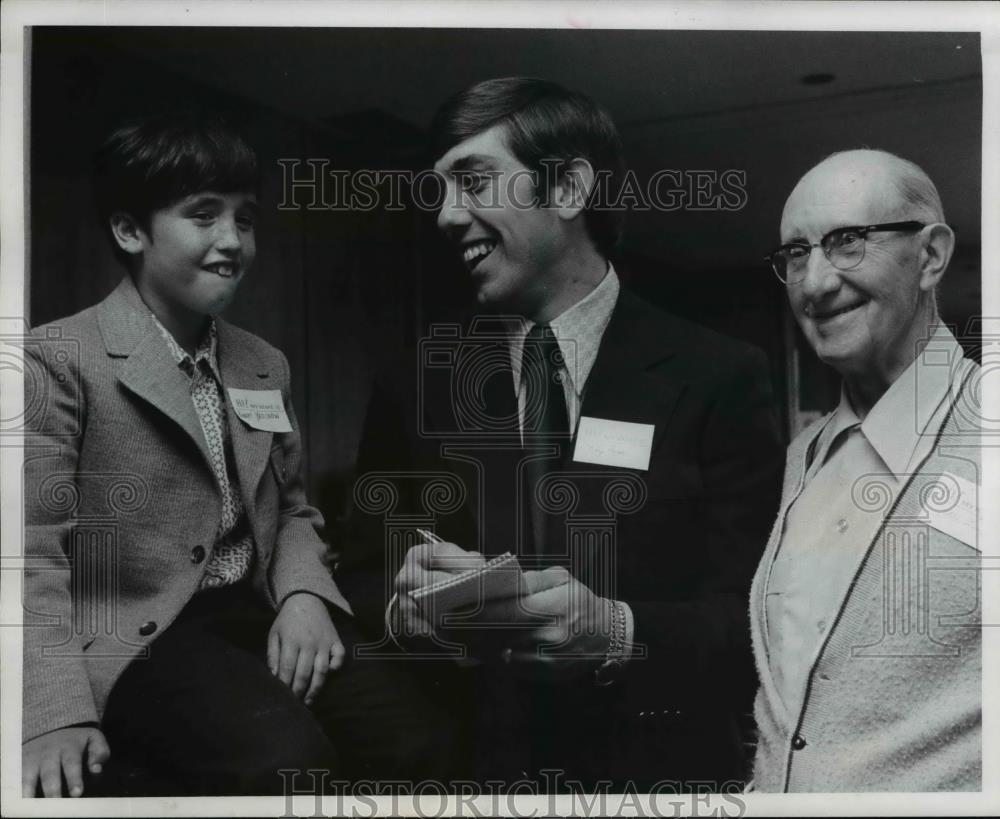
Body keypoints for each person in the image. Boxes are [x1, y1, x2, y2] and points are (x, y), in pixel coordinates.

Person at [340, 77, 785, 790]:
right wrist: (407, 611)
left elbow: (762, 619)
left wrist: (616, 629)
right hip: (467, 776)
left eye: (474, 181)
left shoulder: (718, 376)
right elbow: (362, 571)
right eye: (440, 192)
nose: (448, 216)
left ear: (570, 187)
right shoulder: (417, 381)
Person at [22, 111, 442, 797]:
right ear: (130, 231)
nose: (232, 241)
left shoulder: (262, 362)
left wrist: (305, 593)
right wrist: (50, 713)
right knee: (285, 761)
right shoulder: (56, 359)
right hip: (137, 637)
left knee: (418, 737)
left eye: (245, 219)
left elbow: (295, 510)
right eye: (203, 215)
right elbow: (27, 551)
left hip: (250, 611)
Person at [751, 149, 982, 791]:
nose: (815, 283)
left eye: (847, 242)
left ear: (931, 256)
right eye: (796, 254)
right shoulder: (806, 455)